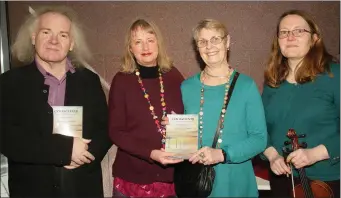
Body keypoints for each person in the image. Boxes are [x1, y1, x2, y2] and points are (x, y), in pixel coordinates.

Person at [0, 6, 112, 197]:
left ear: (71, 44)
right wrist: (65, 150)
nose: (53, 40)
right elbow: (6, 138)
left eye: (62, 35)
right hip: (32, 189)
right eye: (46, 32)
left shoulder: (89, 81)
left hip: (82, 187)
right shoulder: (9, 82)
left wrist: (85, 155)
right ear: (34, 38)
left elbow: (105, 129)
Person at [175, 19, 267, 197]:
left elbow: (259, 139)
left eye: (215, 39)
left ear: (227, 42)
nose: (209, 46)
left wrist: (223, 154)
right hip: (197, 184)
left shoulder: (246, 86)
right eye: (202, 42)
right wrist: (175, 129)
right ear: (197, 47)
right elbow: (186, 143)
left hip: (236, 182)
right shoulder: (186, 87)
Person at [262, 10, 340, 197]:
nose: (290, 37)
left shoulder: (334, 75)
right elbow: (260, 128)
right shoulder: (273, 81)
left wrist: (315, 154)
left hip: (326, 180)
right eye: (284, 32)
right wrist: (272, 156)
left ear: (314, 39)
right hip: (282, 179)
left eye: (298, 31)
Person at [108, 19, 185, 197]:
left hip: (170, 178)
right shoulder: (121, 80)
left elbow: (188, 116)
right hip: (132, 177)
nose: (145, 47)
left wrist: (177, 122)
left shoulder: (174, 75)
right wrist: (150, 153)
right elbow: (115, 131)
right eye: (138, 42)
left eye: (150, 40)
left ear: (158, 43)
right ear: (130, 48)